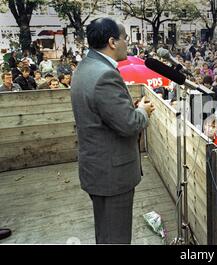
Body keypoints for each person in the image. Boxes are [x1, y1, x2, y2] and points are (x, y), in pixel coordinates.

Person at [70, 18, 155, 244]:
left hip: (97, 169)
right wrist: (143, 111)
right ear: (112, 42)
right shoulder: (105, 75)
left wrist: (130, 109)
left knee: (106, 235)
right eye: (125, 38)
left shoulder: (85, 67)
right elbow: (129, 124)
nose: (127, 42)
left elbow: (105, 114)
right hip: (112, 175)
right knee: (116, 238)